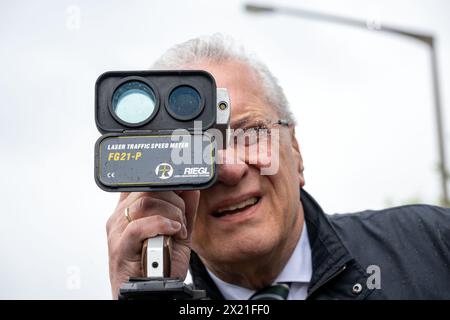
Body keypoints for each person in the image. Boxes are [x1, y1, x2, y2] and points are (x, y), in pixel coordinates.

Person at [106, 34, 450, 300]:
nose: (230, 168)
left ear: (295, 151)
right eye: (194, 148)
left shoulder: (433, 247)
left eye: (251, 132)